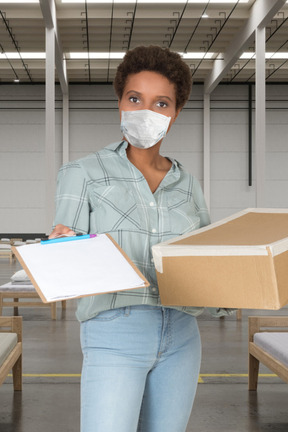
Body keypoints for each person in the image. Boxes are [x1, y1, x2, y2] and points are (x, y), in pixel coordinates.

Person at [50, 45, 233, 432]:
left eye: (161, 103)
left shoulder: (188, 185)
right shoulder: (83, 173)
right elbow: (66, 253)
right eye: (135, 99)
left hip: (182, 333)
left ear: (176, 113)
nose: (146, 112)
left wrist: (235, 291)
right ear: (120, 102)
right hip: (115, 329)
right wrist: (61, 248)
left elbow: (203, 260)